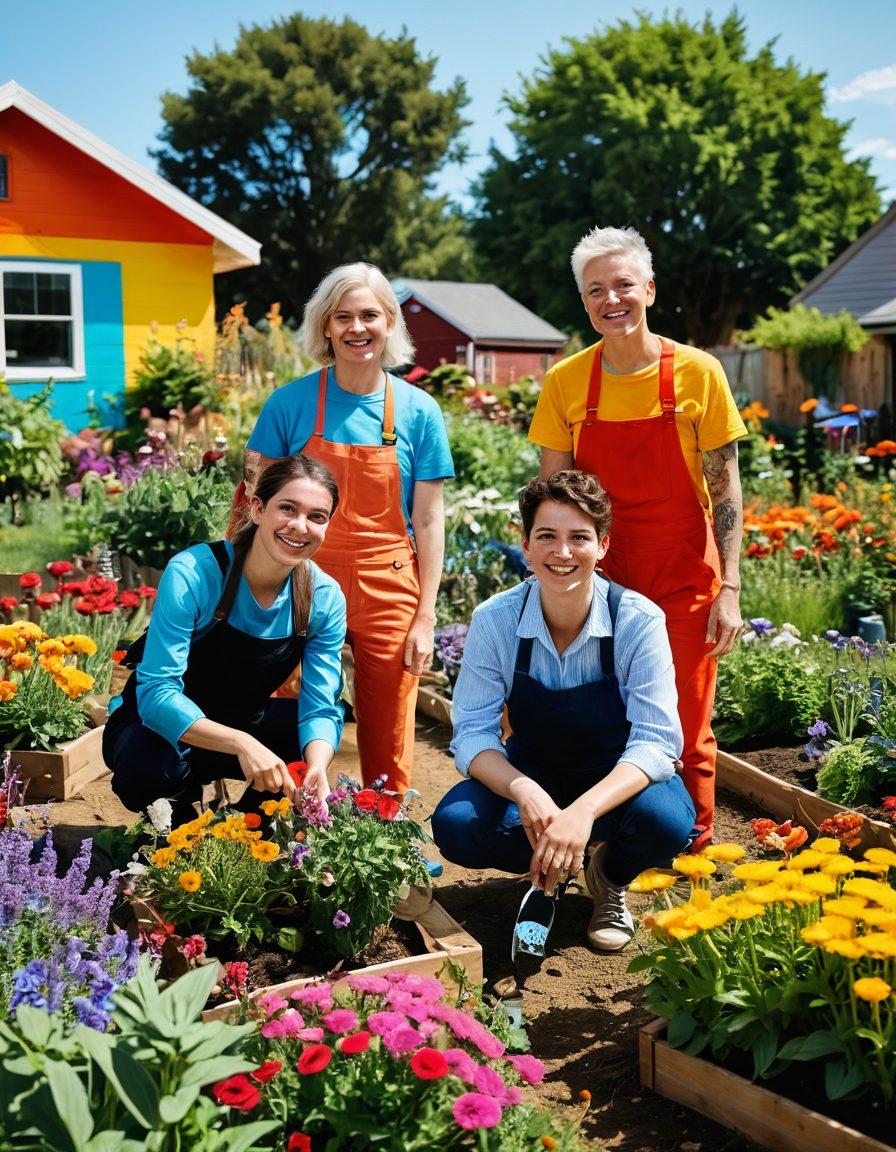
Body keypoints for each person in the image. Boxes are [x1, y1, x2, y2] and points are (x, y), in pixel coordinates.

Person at [528, 226, 747, 847]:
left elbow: (725, 491)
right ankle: (609, 846)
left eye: (623, 284)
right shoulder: (567, 383)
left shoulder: (699, 375)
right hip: (601, 577)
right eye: (596, 290)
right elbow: (553, 498)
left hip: (683, 574)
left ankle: (689, 845)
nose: (611, 299)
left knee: (686, 720)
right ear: (584, 303)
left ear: (649, 288)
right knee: (606, 715)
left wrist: (728, 587)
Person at [432, 471, 695, 952]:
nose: (563, 552)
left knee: (668, 821)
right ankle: (550, 864)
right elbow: (471, 732)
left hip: (616, 781)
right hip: (533, 768)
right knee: (458, 824)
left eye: (579, 538)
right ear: (526, 545)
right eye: (547, 536)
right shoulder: (497, 618)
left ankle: (609, 876)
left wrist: (584, 812)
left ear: (603, 545)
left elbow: (657, 742)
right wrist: (523, 789)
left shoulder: (636, 620)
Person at [242, 262, 454, 794]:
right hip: (300, 581)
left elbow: (428, 519)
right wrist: (244, 591)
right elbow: (254, 501)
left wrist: (426, 615)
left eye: (370, 316)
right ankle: (289, 832)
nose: (357, 328)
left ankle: (388, 838)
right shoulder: (288, 404)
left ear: (389, 324)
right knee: (289, 707)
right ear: (325, 327)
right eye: (343, 317)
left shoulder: (418, 411)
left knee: (389, 722)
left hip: (389, 582)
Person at [104, 454, 347, 822]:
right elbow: (156, 697)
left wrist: (315, 765)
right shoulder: (196, 573)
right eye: (287, 509)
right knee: (146, 765)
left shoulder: (323, 598)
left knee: (308, 738)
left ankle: (249, 831)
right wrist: (241, 742)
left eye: (317, 516)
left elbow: (320, 705)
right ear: (258, 509)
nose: (300, 526)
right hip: (158, 730)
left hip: (243, 720)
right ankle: (175, 823)